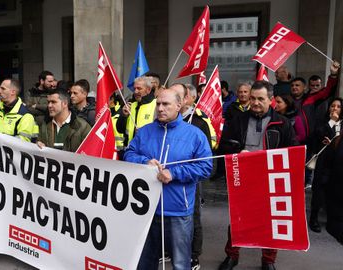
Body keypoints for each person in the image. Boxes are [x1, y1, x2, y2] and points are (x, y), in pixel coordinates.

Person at [125, 88, 212, 270]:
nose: (160, 108)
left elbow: (205, 167)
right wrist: (144, 161)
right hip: (146, 210)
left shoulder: (195, 135)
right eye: (158, 104)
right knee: (144, 263)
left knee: (180, 264)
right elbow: (129, 154)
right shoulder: (145, 132)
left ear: (179, 105)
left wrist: (174, 174)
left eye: (166, 104)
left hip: (178, 211)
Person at [218, 80, 298, 270]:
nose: (255, 102)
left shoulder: (282, 122)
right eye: (252, 98)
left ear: (270, 100)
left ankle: (268, 260)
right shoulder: (238, 120)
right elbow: (224, 145)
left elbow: (292, 150)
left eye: (260, 99)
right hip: (243, 178)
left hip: (271, 180)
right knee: (237, 219)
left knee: (271, 222)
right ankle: (232, 255)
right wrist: (239, 150)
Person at [171, 83, 212, 270]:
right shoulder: (161, 123)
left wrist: (178, 172)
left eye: (176, 96)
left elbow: (206, 163)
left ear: (186, 99)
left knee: (192, 217)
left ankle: (193, 256)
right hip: (167, 183)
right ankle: (171, 251)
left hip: (189, 181)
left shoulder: (199, 123)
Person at [309, 98, 342, 233]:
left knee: (333, 191)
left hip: (337, 164)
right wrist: (332, 121)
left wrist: (334, 143)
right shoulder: (323, 122)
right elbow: (319, 135)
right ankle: (313, 218)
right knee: (318, 191)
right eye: (332, 106)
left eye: (338, 106)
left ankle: (331, 218)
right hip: (323, 163)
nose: (334, 108)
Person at [116, 76, 156, 146]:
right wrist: (123, 116)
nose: (135, 91)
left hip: (147, 151)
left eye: (139, 88)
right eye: (134, 88)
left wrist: (143, 132)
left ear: (148, 90)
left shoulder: (156, 105)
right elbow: (120, 129)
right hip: (130, 150)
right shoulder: (131, 105)